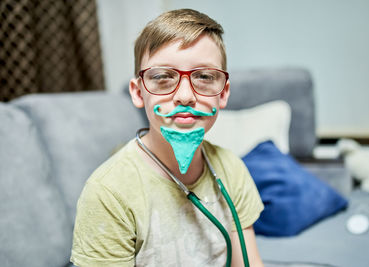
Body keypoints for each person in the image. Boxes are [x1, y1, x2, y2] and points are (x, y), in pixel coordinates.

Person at [71, 8, 264, 267]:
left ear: (223, 93)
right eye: (162, 77)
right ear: (138, 93)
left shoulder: (231, 170)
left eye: (205, 76)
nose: (185, 96)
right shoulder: (108, 193)